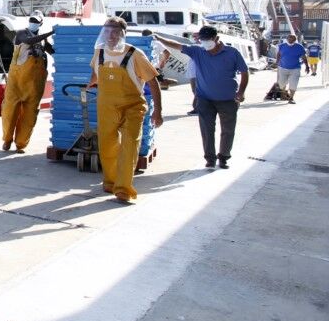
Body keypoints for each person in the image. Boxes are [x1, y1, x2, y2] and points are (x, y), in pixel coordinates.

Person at [87, 17, 164, 204]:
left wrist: (158, 111)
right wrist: (90, 84)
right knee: (107, 145)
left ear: (123, 34)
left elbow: (153, 82)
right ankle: (110, 182)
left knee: (129, 145)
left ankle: (123, 189)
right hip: (106, 106)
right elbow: (95, 72)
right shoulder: (99, 52)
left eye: (115, 32)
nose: (110, 36)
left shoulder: (134, 54)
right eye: (107, 31)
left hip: (132, 107)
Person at [159, 26, 248, 170]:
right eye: (202, 39)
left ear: (216, 38)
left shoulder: (232, 53)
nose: (205, 42)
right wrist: (158, 38)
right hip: (205, 99)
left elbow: (244, 72)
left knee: (228, 130)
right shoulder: (197, 51)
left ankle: (224, 157)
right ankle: (210, 159)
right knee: (207, 130)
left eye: (208, 39)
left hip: (228, 99)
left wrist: (241, 92)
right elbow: (176, 45)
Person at [1, 11, 55, 153]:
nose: (33, 23)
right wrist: (51, 32)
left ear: (41, 23)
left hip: (34, 84)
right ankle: (7, 140)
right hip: (16, 82)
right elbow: (29, 41)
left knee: (30, 116)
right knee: (9, 111)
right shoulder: (21, 34)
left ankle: (21, 144)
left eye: (36, 21)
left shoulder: (43, 40)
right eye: (32, 20)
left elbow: (53, 51)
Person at [275, 33, 308, 103]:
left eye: (292, 39)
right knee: (281, 84)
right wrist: (277, 62)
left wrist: (307, 66)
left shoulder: (299, 47)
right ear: (287, 39)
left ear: (295, 40)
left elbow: (304, 57)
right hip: (282, 67)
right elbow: (279, 54)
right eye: (289, 38)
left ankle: (291, 98)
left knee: (293, 84)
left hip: (295, 69)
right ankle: (284, 95)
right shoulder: (281, 46)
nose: (290, 40)